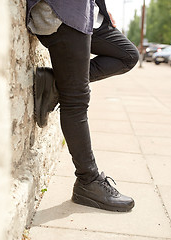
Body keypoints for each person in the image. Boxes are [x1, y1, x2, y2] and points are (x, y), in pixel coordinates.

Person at [26, 0, 139, 212]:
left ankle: (58, 83)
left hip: (86, 14)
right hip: (62, 14)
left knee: (128, 55)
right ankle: (88, 180)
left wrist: (102, 9)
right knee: (76, 99)